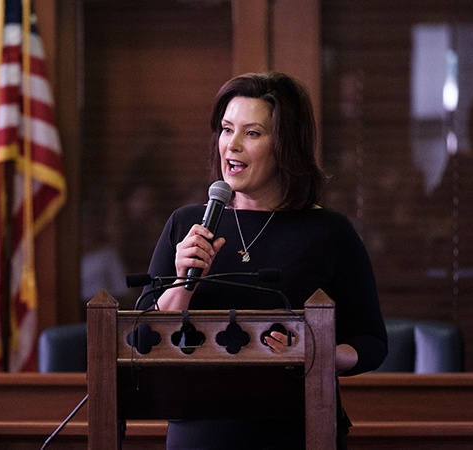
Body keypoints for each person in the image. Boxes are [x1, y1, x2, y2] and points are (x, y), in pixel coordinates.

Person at [140, 71, 387, 449]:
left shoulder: (328, 231)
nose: (231, 145)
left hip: (297, 430)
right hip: (200, 431)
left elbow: (371, 342)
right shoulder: (186, 224)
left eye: (251, 134)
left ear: (284, 147)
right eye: (226, 129)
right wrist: (182, 284)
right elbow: (142, 339)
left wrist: (315, 354)